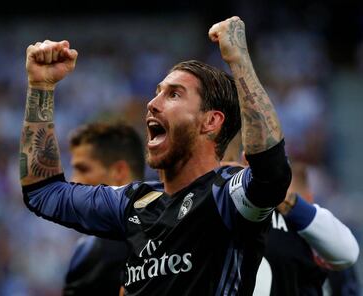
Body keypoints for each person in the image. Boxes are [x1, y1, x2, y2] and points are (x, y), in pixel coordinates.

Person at [19, 16, 292, 295]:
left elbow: (272, 172)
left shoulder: (226, 196)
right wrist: (41, 86)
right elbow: (44, 192)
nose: (152, 103)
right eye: (157, 93)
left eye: (174, 95)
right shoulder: (133, 203)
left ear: (210, 121)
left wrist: (239, 60)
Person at [221, 133, 360, 295]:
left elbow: (347, 252)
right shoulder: (231, 205)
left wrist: (274, 191)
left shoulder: (316, 235)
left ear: (307, 198)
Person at [63, 122, 145, 295]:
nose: (73, 181)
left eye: (83, 169)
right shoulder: (168, 229)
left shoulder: (100, 249)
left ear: (119, 171)